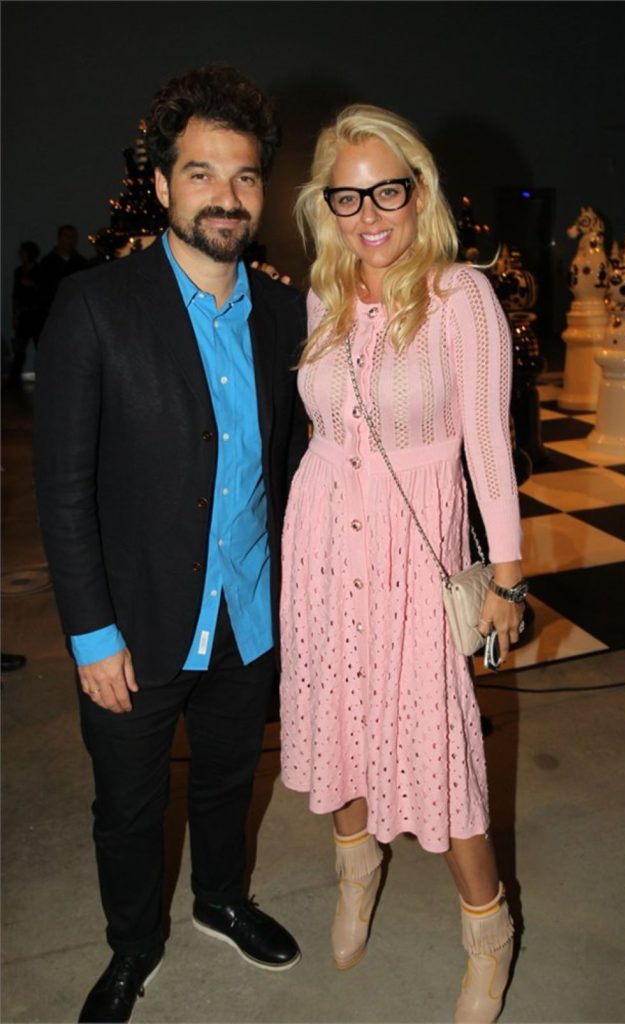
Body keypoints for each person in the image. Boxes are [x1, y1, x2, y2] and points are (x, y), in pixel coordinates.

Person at [34, 65, 308, 1024]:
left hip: (249, 610)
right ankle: (132, 944)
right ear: (161, 185)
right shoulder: (94, 307)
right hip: (136, 626)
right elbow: (62, 490)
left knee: (231, 778)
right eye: (201, 173)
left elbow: (296, 462)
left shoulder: (286, 312)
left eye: (243, 176)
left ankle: (221, 899)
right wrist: (90, 633)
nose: (225, 196)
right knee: (128, 805)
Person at [279, 104, 526, 1024]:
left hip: (413, 551)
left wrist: (507, 577)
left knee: (441, 748)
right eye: (347, 197)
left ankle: (488, 929)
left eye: (387, 190)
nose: (368, 214)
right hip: (322, 536)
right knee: (338, 717)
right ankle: (356, 870)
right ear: (326, 205)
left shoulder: (462, 297)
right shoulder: (322, 294)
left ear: (419, 191)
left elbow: (490, 448)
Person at [36, 224, 88, 332]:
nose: (70, 240)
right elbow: (42, 290)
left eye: (73, 237)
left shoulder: (80, 262)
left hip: (75, 312)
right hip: (52, 312)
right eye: (66, 236)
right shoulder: (47, 263)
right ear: (59, 238)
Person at [6, 241, 41, 387]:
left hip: (37, 314)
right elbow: (16, 295)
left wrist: (33, 285)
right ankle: (14, 379)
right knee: (19, 349)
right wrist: (15, 315)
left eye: (23, 253)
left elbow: (45, 291)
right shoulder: (19, 271)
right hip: (24, 314)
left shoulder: (40, 271)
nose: (21, 256)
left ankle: (45, 376)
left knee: (41, 347)